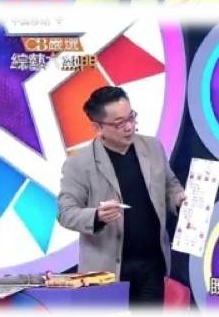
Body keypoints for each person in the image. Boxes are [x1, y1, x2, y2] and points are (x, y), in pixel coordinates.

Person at [57, 86, 185, 304]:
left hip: (152, 266)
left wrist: (178, 198)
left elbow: (169, 185)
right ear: (98, 127)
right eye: (119, 123)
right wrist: (96, 216)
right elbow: (65, 213)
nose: (129, 127)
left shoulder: (153, 147)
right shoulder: (79, 163)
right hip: (105, 272)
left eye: (131, 117)